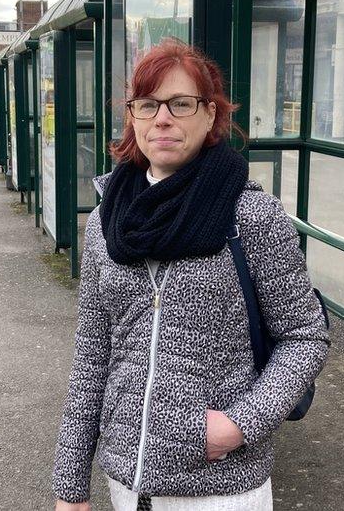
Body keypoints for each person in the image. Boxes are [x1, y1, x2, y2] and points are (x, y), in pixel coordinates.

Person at [52, 38, 329, 511]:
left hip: (221, 485)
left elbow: (305, 337)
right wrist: (71, 484)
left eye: (181, 104)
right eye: (148, 104)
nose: (163, 118)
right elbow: (93, 354)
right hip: (128, 480)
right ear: (133, 116)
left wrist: (238, 425)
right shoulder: (107, 220)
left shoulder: (251, 215)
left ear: (211, 115)